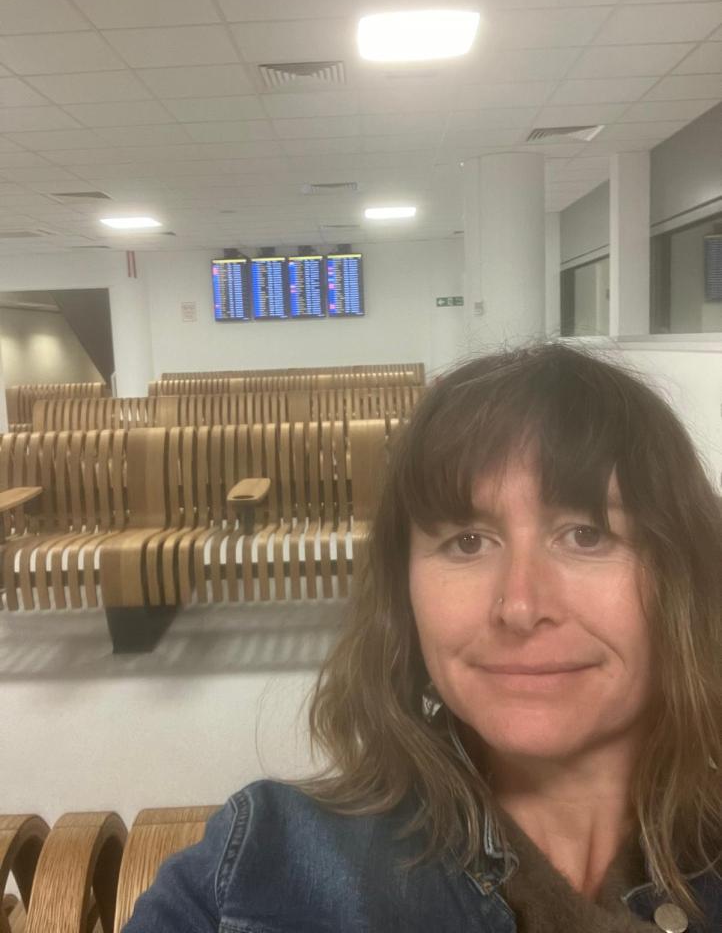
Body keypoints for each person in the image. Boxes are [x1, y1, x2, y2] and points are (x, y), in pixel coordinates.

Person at [123, 342, 721, 933]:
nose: (520, 606)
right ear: (404, 597)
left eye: (586, 535)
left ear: (684, 575)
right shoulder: (263, 862)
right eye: (467, 542)